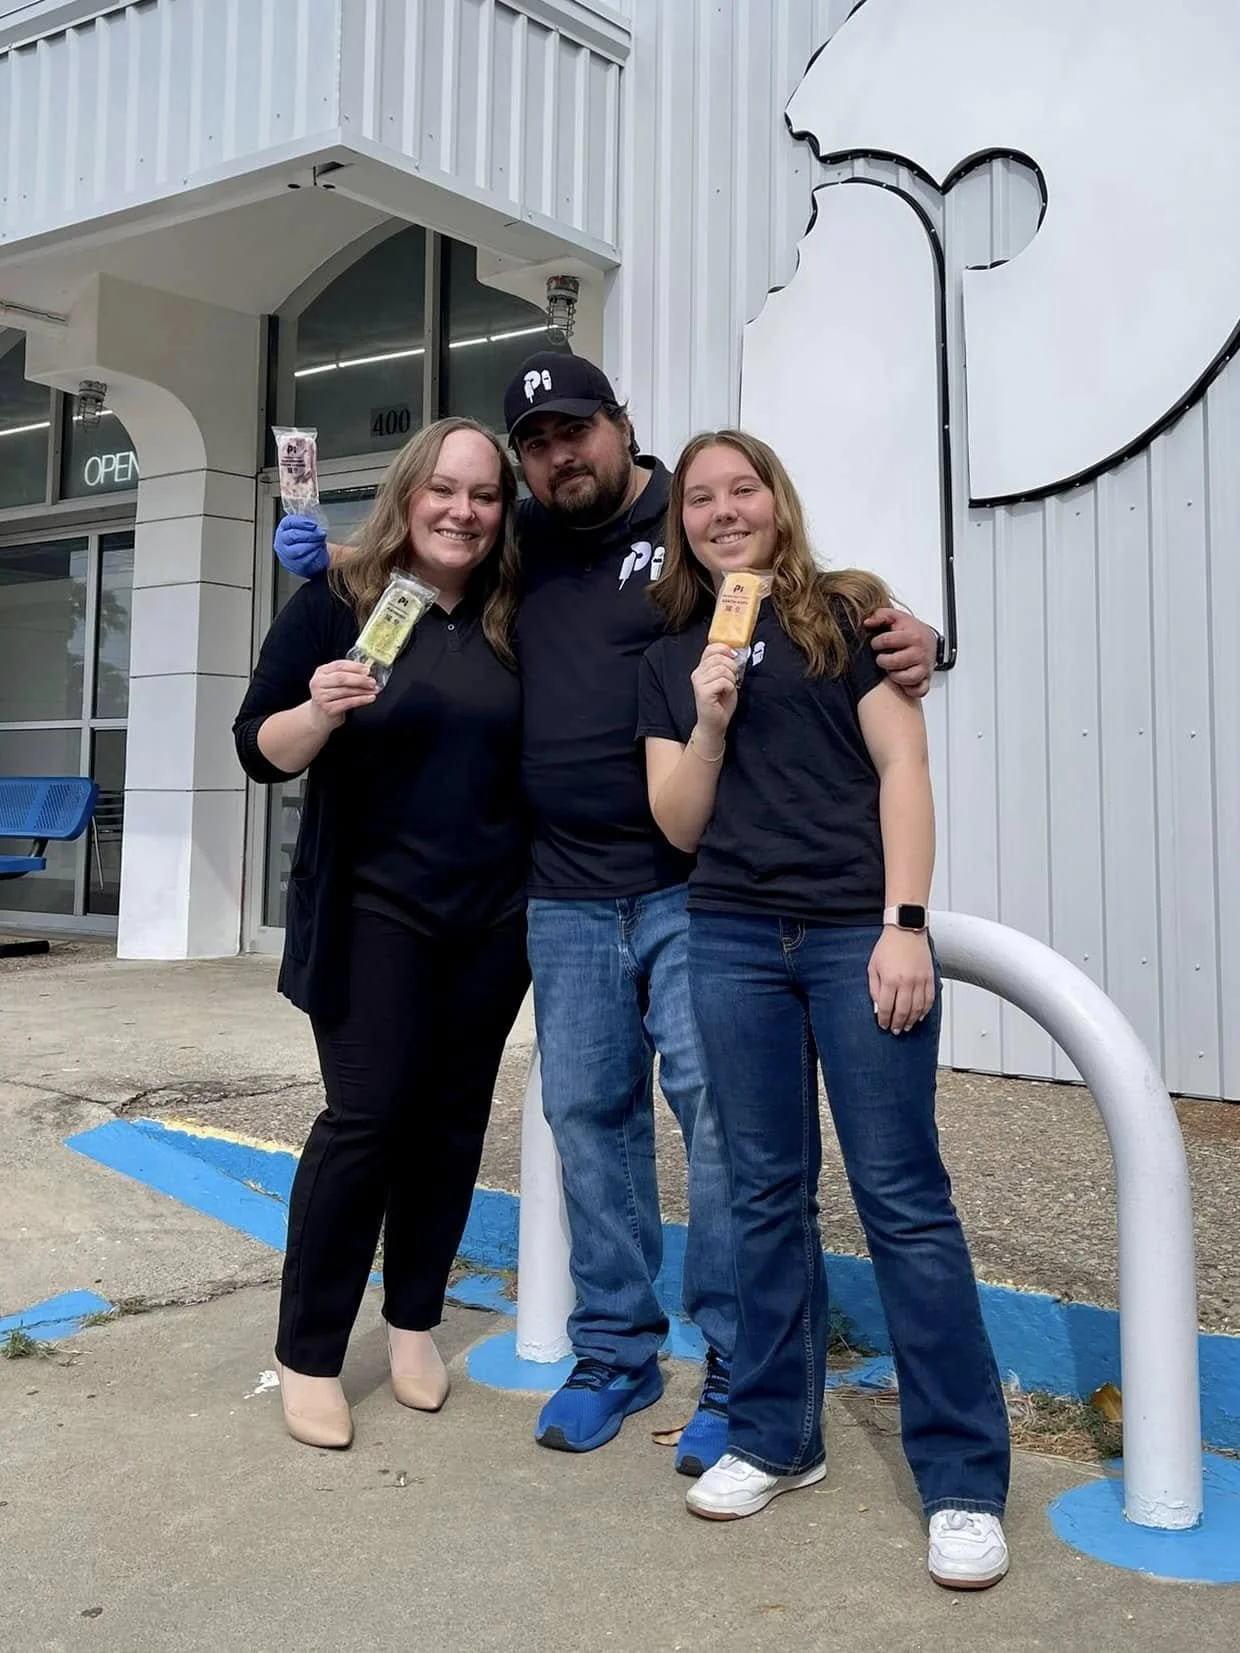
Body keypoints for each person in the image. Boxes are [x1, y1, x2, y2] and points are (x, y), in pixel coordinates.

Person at [274, 352, 940, 1476]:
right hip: (561, 890)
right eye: (534, 442)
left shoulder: (692, 515)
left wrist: (922, 639)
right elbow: (425, 555)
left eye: (574, 430)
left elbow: (810, 592)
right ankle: (616, 1350)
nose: (555, 456)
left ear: (622, 427)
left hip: (698, 888)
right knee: (589, 1121)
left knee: (724, 1129)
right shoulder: (521, 538)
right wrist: (327, 556)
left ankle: (740, 1368)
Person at [637, 430, 1010, 1591]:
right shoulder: (666, 656)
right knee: (758, 1196)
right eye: (698, 498)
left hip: (856, 936)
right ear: (682, 524)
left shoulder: (847, 615)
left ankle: (960, 1479)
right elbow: (678, 826)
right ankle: (773, 1437)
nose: (720, 510)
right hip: (733, 936)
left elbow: (904, 767)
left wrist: (905, 923)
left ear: (776, 502)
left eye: (740, 488)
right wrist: (706, 716)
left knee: (901, 1197)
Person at [234, 418, 530, 1451]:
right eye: (443, 490)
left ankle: (413, 1322)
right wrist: (317, 711)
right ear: (408, 495)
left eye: (484, 496)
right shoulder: (335, 604)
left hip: (493, 915)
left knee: (452, 1125)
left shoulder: (513, 611)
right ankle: (308, 1351)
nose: (461, 511)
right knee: (366, 1119)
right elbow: (259, 749)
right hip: (370, 906)